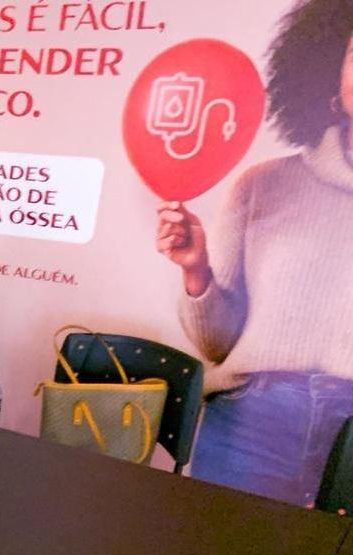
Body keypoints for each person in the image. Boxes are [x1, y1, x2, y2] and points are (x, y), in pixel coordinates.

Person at [156, 0, 353, 507]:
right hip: (251, 422)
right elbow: (217, 344)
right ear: (331, 68)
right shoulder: (263, 185)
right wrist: (196, 272)